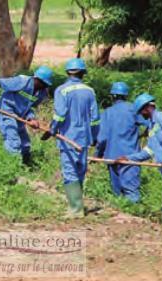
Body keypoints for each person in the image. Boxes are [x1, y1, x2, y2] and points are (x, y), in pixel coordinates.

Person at [116, 94, 162, 226]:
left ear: (147, 108)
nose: (141, 115)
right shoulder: (152, 126)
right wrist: (128, 158)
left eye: (141, 112)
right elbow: (148, 151)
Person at [47, 58, 100, 218]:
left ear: (67, 73)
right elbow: (95, 118)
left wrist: (52, 129)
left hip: (68, 137)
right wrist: (95, 137)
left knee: (70, 171)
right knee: (80, 171)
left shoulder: (62, 91)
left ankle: (76, 209)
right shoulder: (90, 91)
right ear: (83, 73)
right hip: (84, 137)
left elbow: (60, 115)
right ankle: (77, 206)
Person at [0, 66, 53, 166]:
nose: (45, 87)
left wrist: (31, 118)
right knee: (13, 140)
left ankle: (26, 166)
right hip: (6, 111)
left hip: (20, 116)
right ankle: (12, 168)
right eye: (43, 83)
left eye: (46, 84)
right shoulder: (22, 81)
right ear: (37, 79)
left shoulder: (41, 93)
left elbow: (30, 108)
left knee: (25, 144)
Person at [95, 82, 141, 203]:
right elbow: (151, 123)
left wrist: (97, 155)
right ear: (126, 96)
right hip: (130, 157)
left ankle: (121, 216)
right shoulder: (134, 110)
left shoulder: (107, 113)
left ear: (112, 96)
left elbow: (102, 138)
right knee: (131, 190)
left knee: (117, 192)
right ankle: (134, 216)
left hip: (112, 157)